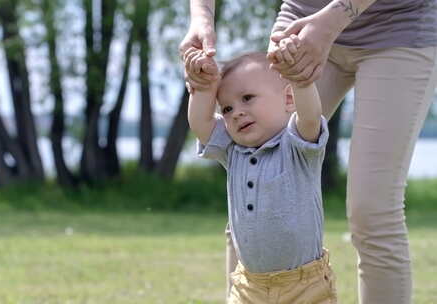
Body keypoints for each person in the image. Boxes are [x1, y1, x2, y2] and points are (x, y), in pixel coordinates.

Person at [180, 1, 437, 303]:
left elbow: (308, 121)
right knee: (256, 186)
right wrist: (201, 19)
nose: (235, 113)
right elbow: (203, 123)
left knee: (372, 212)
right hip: (299, 27)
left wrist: (332, 20)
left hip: (397, 27)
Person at [185, 35, 337, 303]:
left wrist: (300, 79)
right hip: (250, 286)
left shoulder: (297, 146)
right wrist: (203, 89)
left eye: (247, 98)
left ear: (288, 100)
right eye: (228, 108)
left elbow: (311, 115)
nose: (236, 113)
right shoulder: (233, 151)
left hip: (304, 285)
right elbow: (201, 123)